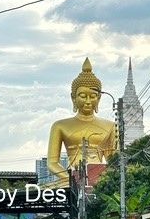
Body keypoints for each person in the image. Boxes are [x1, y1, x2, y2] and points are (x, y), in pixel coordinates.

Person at [47, 57, 117, 185]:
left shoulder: (110, 126)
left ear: (99, 98)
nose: (88, 101)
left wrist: (102, 179)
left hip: (100, 178)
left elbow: (114, 162)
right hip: (70, 178)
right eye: (83, 96)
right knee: (44, 191)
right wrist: (72, 179)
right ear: (73, 98)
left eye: (93, 96)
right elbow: (52, 163)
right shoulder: (60, 126)